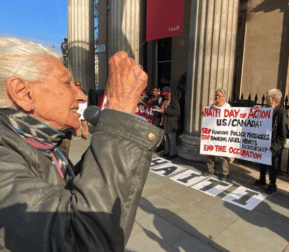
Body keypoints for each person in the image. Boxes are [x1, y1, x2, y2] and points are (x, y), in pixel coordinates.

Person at [0, 37, 163, 251]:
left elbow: (69, 194)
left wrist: (108, 140)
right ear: (23, 92)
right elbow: (82, 241)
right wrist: (119, 118)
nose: (81, 95)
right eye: (67, 82)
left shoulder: (39, 142)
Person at [252, 89, 288, 195]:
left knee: (271, 164)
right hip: (264, 142)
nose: (266, 99)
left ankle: (273, 185)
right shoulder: (267, 110)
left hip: (273, 144)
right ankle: (262, 179)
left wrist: (274, 147)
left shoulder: (282, 113)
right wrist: (257, 110)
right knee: (261, 162)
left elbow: (283, 133)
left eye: (267, 98)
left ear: (273, 99)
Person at [203, 88, 231, 182]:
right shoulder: (212, 106)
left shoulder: (227, 106)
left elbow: (226, 117)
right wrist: (207, 111)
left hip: (221, 134)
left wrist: (217, 110)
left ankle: (225, 173)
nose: (217, 97)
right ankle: (210, 170)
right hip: (211, 133)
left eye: (219, 95)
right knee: (209, 152)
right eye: (216, 95)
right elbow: (204, 113)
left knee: (223, 155)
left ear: (223, 97)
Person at [157, 86, 180, 159]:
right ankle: (167, 151)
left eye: (166, 94)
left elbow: (177, 112)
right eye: (164, 94)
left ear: (169, 93)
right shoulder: (164, 101)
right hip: (164, 122)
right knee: (166, 138)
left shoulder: (174, 101)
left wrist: (165, 111)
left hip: (171, 123)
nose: (165, 95)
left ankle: (172, 154)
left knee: (171, 138)